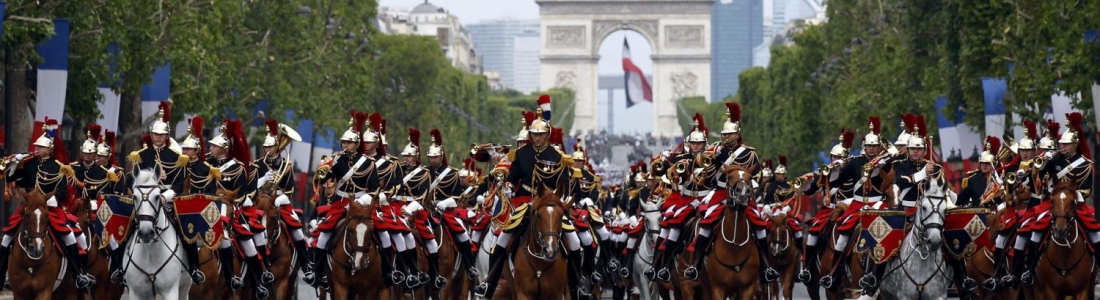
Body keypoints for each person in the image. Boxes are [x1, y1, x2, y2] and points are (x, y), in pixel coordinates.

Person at [476, 95, 590, 300]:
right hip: (525, 201)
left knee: (574, 240)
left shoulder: (557, 156)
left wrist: (560, 198)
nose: (536, 138)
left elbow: (563, 181)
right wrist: (509, 185)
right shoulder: (521, 154)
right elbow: (514, 176)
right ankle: (490, 284)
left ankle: (576, 287)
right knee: (501, 239)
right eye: (534, 134)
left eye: (540, 135)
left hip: (551, 203)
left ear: (546, 135)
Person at [0, 117, 96, 290]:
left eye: (41, 147)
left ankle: (79, 274)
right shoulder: (28, 164)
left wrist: (51, 199)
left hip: (49, 208)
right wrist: (14, 165)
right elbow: (15, 181)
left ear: (49, 149)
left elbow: (62, 191)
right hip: (28, 208)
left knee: (70, 236)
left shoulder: (58, 167)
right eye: (36, 146)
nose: (37, 149)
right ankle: (2, 275)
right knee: (7, 236)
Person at [309, 112, 380, 288]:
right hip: (339, 204)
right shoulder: (338, 160)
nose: (345, 144)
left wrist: (363, 200)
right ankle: (316, 273)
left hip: (361, 205)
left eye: (348, 142)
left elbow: (375, 188)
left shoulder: (368, 163)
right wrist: (322, 174)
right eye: (344, 142)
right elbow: (326, 178)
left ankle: (389, 273)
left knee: (383, 234)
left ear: (356, 144)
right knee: (324, 235)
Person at [209, 119, 274, 299]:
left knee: (249, 243)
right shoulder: (206, 164)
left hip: (232, 209)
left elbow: (242, 193)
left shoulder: (238, 168)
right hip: (207, 207)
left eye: (214, 146)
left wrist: (231, 200)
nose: (211, 148)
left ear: (224, 148)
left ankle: (257, 282)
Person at [252, 118, 310, 275]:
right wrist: (263, 180)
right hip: (258, 203)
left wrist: (278, 199)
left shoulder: (286, 165)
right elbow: (250, 188)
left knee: (297, 230)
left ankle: (306, 265)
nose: (267, 150)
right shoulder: (257, 165)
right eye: (265, 147)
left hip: (280, 202)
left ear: (277, 147)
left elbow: (290, 190)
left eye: (270, 146)